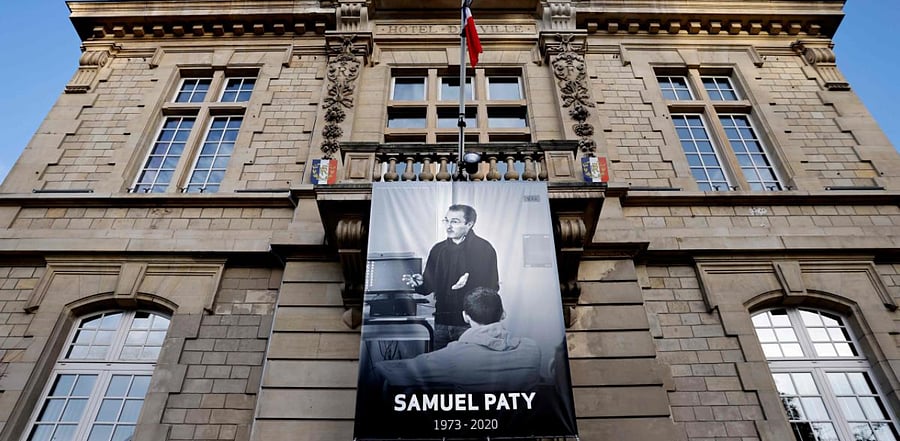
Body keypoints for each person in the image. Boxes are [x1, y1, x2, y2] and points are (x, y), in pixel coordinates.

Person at [375, 287, 541, 392]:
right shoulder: (532, 350)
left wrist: (379, 365)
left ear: (465, 317)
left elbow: (397, 373)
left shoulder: (455, 355)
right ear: (503, 314)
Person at [402, 204, 499, 349]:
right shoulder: (437, 249)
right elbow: (428, 287)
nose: (448, 226)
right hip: (441, 323)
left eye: (454, 221)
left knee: (468, 370)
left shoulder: (485, 249)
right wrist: (419, 284)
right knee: (441, 368)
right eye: (446, 221)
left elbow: (492, 289)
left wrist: (469, 284)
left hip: (471, 324)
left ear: (469, 224)